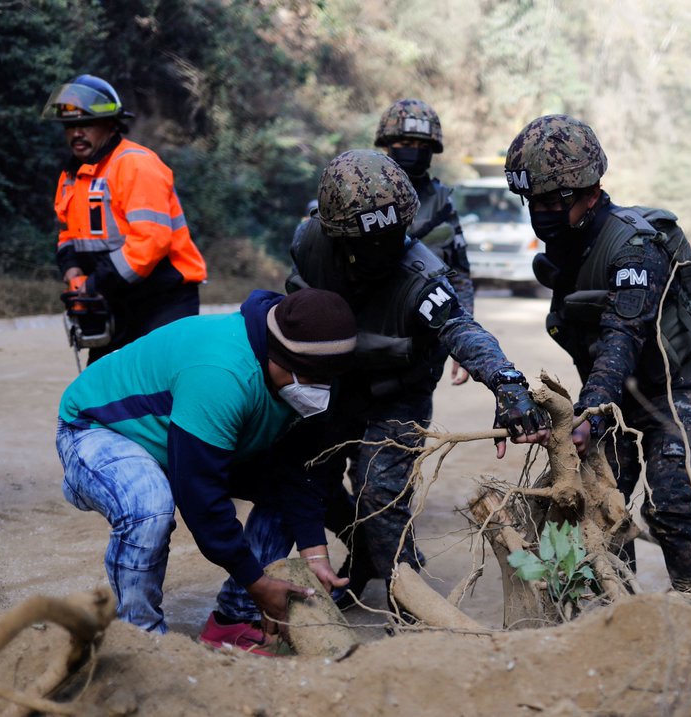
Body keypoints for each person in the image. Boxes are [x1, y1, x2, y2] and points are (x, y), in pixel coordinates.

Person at [215, 149, 549, 621]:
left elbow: (462, 330)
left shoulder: (422, 276)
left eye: (394, 237)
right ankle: (335, 564)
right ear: (336, 235)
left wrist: (508, 385)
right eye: (366, 241)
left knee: (380, 492)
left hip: (399, 392)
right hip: (332, 383)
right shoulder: (308, 243)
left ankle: (405, 599)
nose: (382, 251)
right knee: (300, 473)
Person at [56, 288, 358, 652]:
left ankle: (232, 620)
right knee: (150, 506)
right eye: (310, 380)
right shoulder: (221, 375)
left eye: (326, 381)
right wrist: (256, 580)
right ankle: (141, 637)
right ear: (278, 358)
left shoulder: (312, 368)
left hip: (185, 439)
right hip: (98, 429)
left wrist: (315, 554)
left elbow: (300, 470)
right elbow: (200, 496)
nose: (318, 391)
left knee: (281, 493)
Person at [504, 115, 691, 594]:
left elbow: (622, 336)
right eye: (533, 202)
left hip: (674, 389)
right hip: (613, 395)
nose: (540, 212)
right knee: (604, 504)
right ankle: (617, 609)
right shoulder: (568, 244)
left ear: (591, 189)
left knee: (669, 506)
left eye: (552, 201)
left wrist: (592, 414)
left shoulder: (634, 247)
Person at [42, 74, 207, 364]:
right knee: (102, 387)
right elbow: (67, 235)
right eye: (70, 126)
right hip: (114, 297)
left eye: (86, 124)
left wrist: (94, 284)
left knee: (160, 383)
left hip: (163, 299)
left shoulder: (135, 165)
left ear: (111, 124)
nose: (77, 133)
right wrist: (74, 276)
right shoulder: (71, 177)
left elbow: (150, 242)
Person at [375, 99, 474, 385]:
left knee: (406, 428)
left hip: (419, 350)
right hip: (361, 342)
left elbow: (461, 274)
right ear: (387, 144)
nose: (413, 152)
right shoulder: (361, 189)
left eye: (422, 147)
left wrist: (463, 340)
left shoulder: (442, 204)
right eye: (406, 142)